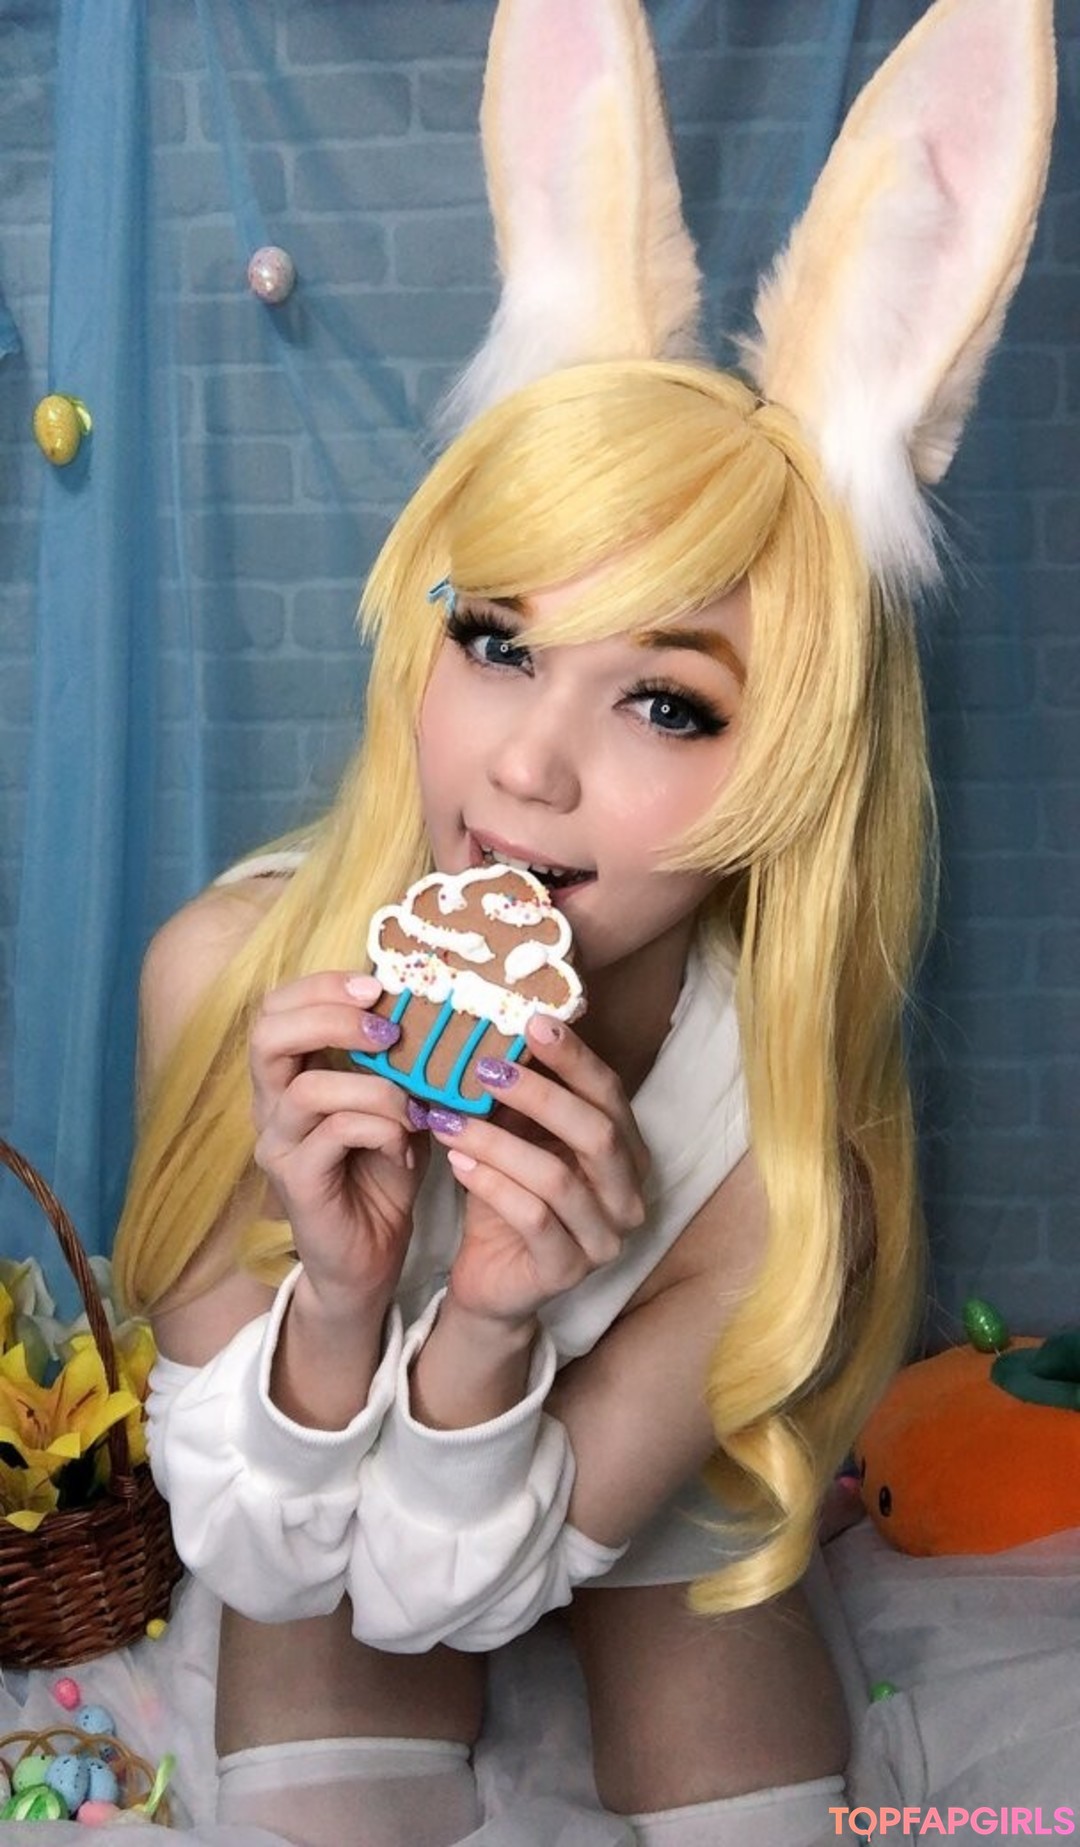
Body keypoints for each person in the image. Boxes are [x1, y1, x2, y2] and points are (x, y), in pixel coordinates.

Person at [112, 2, 1055, 1844]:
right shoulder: (232, 981)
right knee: (321, 1772)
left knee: (750, 1793)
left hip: (633, 1493)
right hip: (314, 1503)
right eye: (499, 640)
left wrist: (495, 1323)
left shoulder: (781, 1148)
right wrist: (347, 1300)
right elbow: (285, 1562)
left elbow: (471, 1585)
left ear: (798, 762)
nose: (528, 765)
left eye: (668, 704)